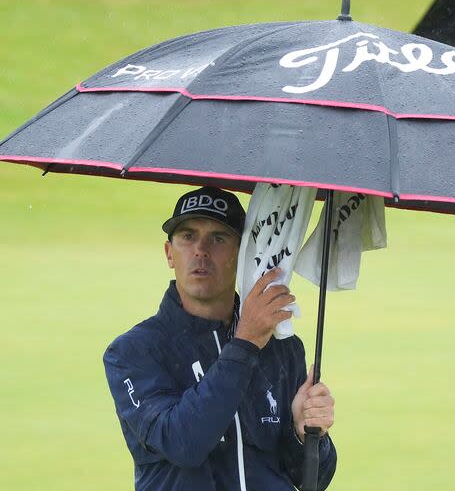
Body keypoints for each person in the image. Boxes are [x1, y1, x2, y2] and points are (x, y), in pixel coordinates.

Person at [103, 186, 337, 491]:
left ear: (242, 254)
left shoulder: (283, 346)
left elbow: (313, 480)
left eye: (218, 238)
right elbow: (183, 443)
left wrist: (305, 433)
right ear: (169, 253)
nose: (200, 250)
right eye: (187, 236)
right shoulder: (132, 352)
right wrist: (245, 343)